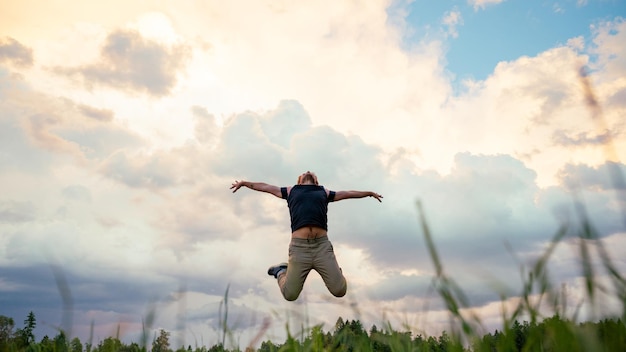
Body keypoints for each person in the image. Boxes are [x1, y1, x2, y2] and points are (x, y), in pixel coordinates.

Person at [230, 171, 383, 301]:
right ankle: (281, 271)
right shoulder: (290, 191)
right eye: (304, 173)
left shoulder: (325, 192)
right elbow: (265, 187)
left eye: (311, 174)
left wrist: (368, 193)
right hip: (299, 249)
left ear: (316, 182)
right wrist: (244, 183)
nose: (308, 171)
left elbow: (348, 194)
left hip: (322, 247)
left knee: (340, 291)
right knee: (290, 295)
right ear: (299, 181)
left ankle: (335, 271)